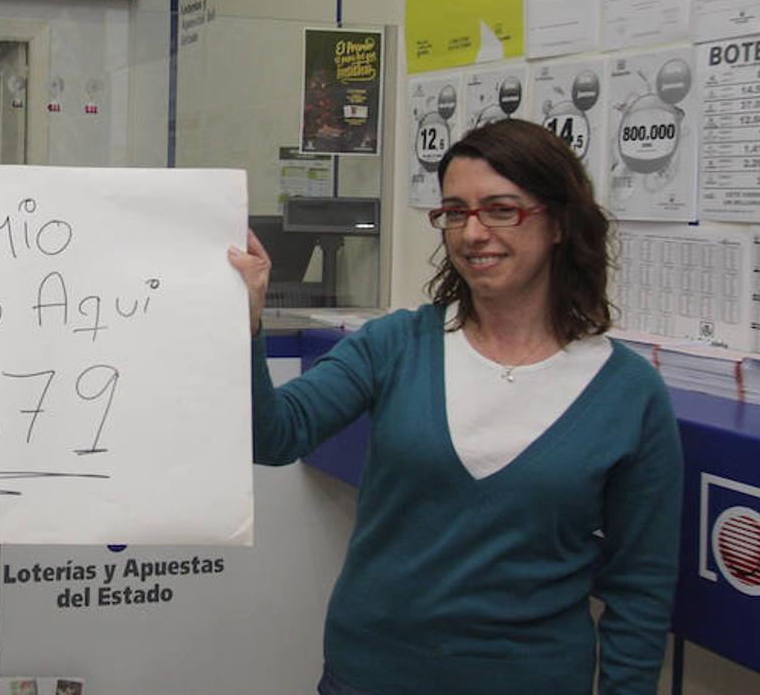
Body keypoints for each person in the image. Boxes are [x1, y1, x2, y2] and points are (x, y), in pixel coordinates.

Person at [229, 119, 683, 695]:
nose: (473, 233)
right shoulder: (395, 345)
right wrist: (244, 324)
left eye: (500, 210)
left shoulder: (628, 392)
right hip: (372, 677)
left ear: (560, 223)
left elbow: (639, 589)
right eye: (455, 212)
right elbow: (276, 436)